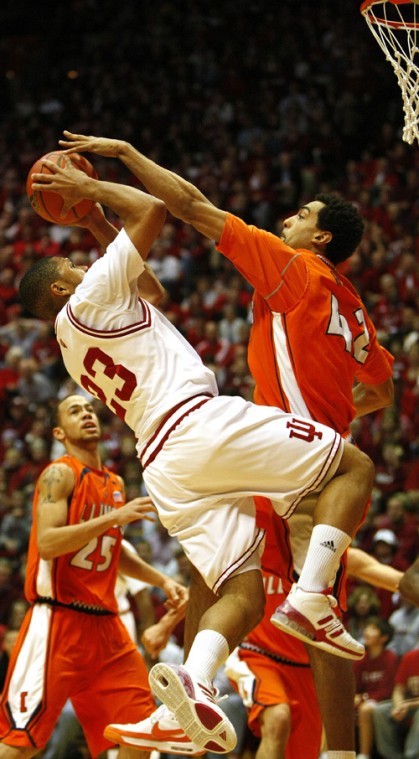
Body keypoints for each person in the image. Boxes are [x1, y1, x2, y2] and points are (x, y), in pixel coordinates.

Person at [17, 151, 375, 755]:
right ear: (62, 286)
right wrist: (90, 187)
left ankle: (192, 687)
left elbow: (149, 286)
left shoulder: (72, 337)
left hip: (163, 467)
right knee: (352, 467)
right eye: (77, 264)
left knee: (243, 592)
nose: (88, 263)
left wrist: (96, 223)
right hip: (195, 425)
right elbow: (155, 208)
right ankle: (313, 597)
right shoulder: (90, 298)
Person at [0, 394, 190, 759]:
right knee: (20, 747)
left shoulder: (114, 482)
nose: (86, 414)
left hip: (107, 629)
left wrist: (161, 581)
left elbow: (112, 552)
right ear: (59, 432)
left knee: (139, 736)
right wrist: (113, 519)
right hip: (59, 621)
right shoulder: (60, 473)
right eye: (75, 411)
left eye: (89, 409)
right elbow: (48, 542)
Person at [224, 506, 403, 759]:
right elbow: (208, 590)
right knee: (277, 719)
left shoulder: (331, 554)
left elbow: (397, 580)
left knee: (304, 752)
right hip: (258, 654)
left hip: (310, 668)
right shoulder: (253, 547)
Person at [353, 616, 398, 759]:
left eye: (372, 628)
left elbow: (387, 690)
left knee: (365, 709)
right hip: (367, 699)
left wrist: (364, 698)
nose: (366, 631)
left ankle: (364, 755)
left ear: (383, 637)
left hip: (385, 701)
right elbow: (354, 686)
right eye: (366, 628)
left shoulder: (390, 658)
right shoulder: (361, 658)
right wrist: (355, 697)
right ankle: (328, 752)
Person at [372, 647, 419, 759]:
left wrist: (407, 705)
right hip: (409, 703)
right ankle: (391, 756)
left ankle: (412, 755)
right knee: (381, 711)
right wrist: (399, 706)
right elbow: (399, 689)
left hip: (413, 705)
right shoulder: (410, 657)